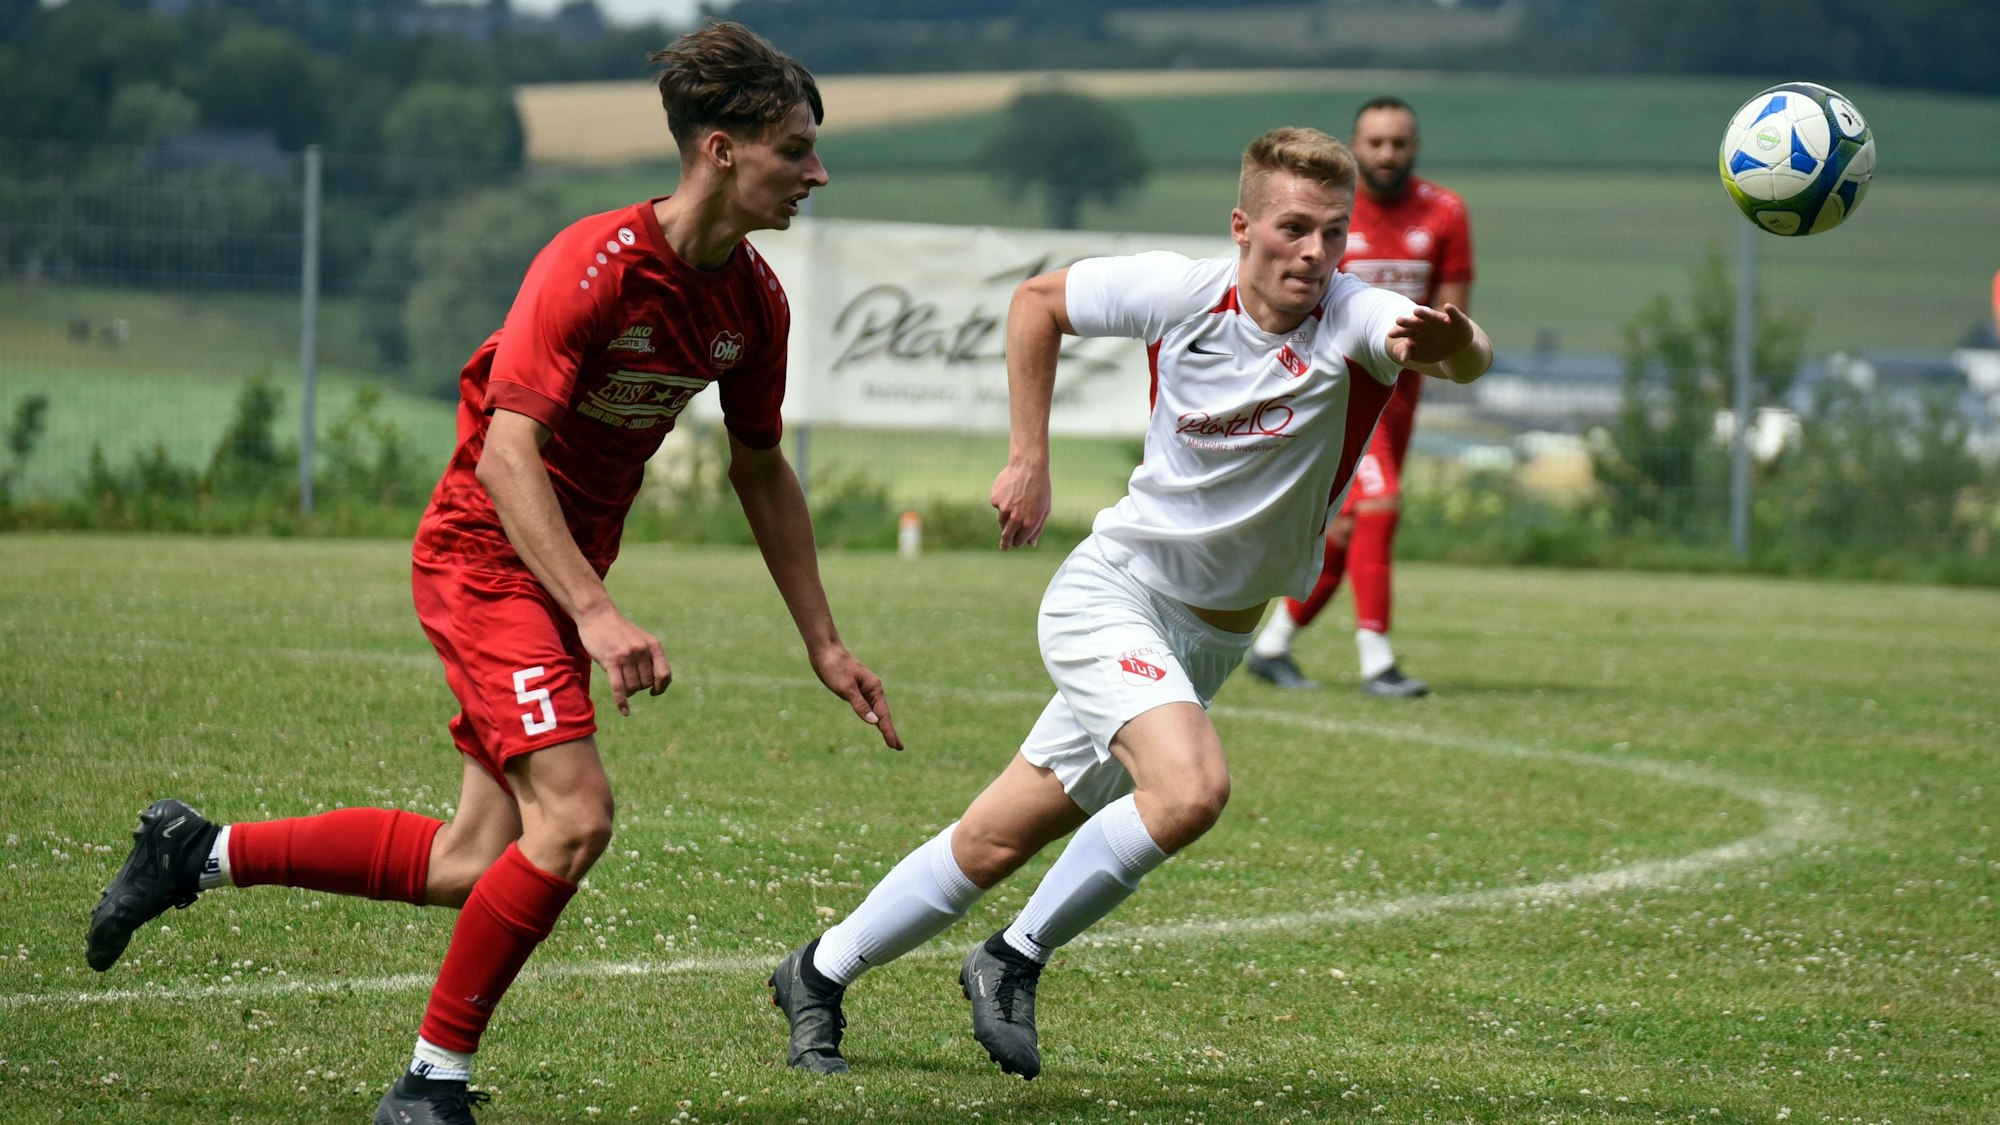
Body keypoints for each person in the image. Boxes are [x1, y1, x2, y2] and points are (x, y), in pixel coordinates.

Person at [85, 23, 900, 1125]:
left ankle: (197, 852)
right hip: (486, 555)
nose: (816, 172)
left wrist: (823, 639)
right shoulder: (592, 265)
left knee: (472, 860)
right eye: (794, 150)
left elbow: (760, 470)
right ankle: (430, 1085)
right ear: (719, 150)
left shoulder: (754, 306)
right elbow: (509, 452)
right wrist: (599, 614)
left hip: (559, 571)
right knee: (572, 820)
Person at [768, 126, 1490, 1079]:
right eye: (1293, 229)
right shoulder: (1180, 293)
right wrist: (1029, 455)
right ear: (1242, 228)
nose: (1315, 254)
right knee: (1189, 790)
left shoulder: (1356, 317)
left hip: (1209, 641)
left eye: (1333, 234)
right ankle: (1011, 957)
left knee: (991, 839)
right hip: (1112, 598)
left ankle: (815, 972)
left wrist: (1458, 342)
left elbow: (1450, 352)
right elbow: (1036, 303)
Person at [1246, 96, 1474, 698]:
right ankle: (1378, 662)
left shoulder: (1447, 213)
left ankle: (1271, 649)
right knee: (1380, 505)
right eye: (1374, 142)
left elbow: (1453, 324)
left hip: (1399, 399)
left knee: (1346, 535)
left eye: (1398, 142)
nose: (1387, 154)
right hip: (1333, 391)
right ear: (1355, 145)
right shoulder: (1329, 216)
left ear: (1414, 146)